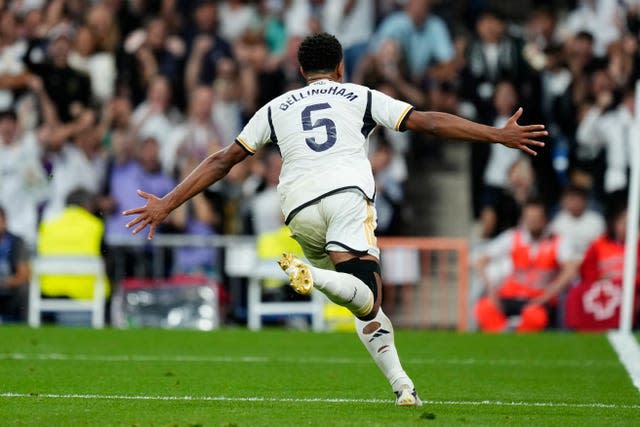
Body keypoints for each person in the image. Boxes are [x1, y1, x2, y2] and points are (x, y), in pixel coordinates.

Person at [123, 33, 546, 406]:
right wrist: (497, 134)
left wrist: (166, 203)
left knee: (361, 306)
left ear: (301, 68)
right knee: (370, 295)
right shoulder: (359, 95)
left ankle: (403, 386)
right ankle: (315, 275)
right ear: (340, 67)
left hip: (298, 210)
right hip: (345, 197)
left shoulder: (275, 107)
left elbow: (222, 160)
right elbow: (429, 122)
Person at [474, 198, 580, 332]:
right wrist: (491, 289)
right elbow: (480, 260)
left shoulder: (557, 241)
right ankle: (503, 334)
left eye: (536, 218)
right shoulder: (513, 237)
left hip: (539, 300)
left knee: (535, 316)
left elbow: (570, 270)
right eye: (528, 217)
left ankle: (517, 337)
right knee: (484, 307)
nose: (532, 222)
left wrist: (548, 294)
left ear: (545, 219)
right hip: (509, 296)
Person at [565, 203, 640, 331]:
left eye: (629, 223)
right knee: (575, 293)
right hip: (602, 290)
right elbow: (588, 271)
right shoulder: (598, 244)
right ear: (614, 222)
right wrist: (602, 280)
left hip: (632, 292)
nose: (626, 227)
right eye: (622, 222)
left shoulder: (637, 245)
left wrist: (627, 282)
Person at [0, 206, 30, 322]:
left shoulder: (16, 242)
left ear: (4, 222)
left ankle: (23, 325)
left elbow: (23, 274)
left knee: (24, 289)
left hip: (10, 288)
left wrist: (5, 282)